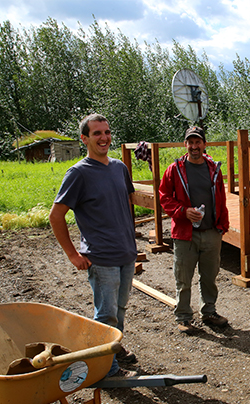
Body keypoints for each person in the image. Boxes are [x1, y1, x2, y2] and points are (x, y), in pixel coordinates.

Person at [49, 113, 139, 378]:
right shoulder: (78, 174)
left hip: (125, 254)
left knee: (119, 310)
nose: (104, 138)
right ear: (84, 138)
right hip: (101, 258)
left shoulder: (119, 168)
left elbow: (127, 203)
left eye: (107, 132)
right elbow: (56, 216)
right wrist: (72, 255)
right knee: (106, 315)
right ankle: (107, 369)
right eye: (97, 133)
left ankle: (113, 346)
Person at [159, 126, 230, 334]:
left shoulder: (213, 168)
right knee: (183, 277)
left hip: (210, 232)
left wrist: (222, 226)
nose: (194, 146)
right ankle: (183, 317)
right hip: (184, 234)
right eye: (190, 142)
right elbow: (164, 196)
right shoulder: (175, 169)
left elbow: (222, 199)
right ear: (185, 145)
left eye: (198, 142)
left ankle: (209, 312)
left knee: (209, 276)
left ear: (204, 144)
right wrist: (182, 211)